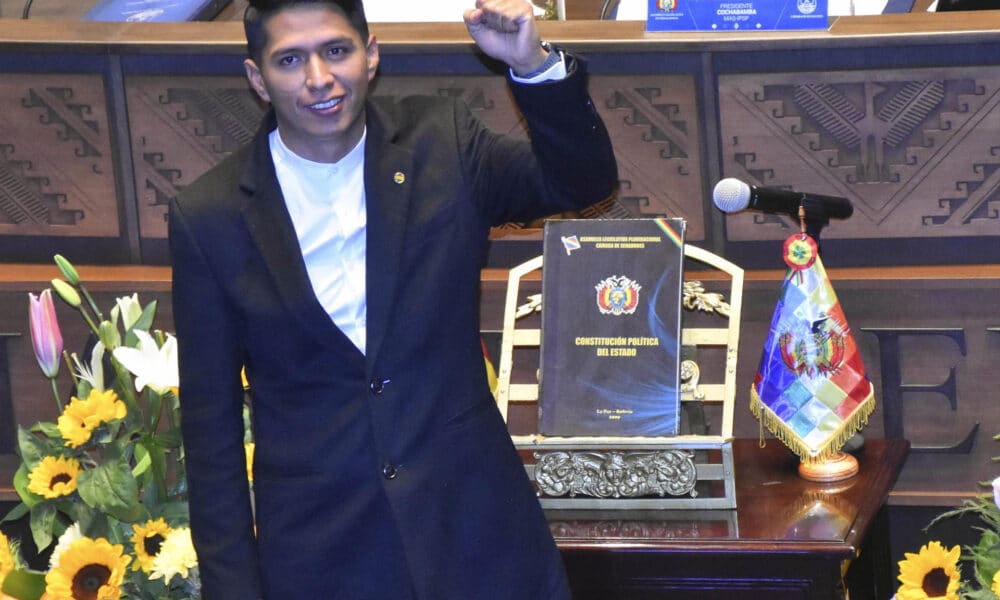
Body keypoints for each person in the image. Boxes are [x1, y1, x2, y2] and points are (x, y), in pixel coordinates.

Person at [168, 0, 617, 597]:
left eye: (336, 51)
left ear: (370, 54)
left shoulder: (443, 142)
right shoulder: (209, 215)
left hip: (477, 537)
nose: (319, 79)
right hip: (324, 556)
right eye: (289, 60)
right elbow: (211, 434)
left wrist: (530, 64)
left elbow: (582, 183)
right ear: (257, 77)